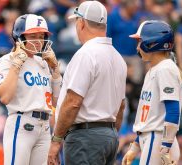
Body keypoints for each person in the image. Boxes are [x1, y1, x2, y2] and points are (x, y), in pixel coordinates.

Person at [48, 1, 127, 165]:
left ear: (81, 23)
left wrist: (56, 140)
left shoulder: (86, 53)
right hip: (109, 135)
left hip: (85, 137)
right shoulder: (118, 58)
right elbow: (121, 107)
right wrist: (108, 134)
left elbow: (73, 102)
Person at [0, 14, 62, 165]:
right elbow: (5, 97)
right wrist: (16, 65)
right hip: (21, 123)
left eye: (41, 36)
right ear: (20, 37)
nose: (39, 41)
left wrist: (55, 70)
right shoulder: (6, 60)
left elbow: (57, 101)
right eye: (33, 36)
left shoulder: (43, 63)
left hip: (44, 127)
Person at [122, 20, 182, 165]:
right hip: (151, 137)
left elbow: (173, 110)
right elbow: (148, 117)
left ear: (152, 43)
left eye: (140, 42)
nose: (138, 47)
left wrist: (165, 147)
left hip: (158, 139)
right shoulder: (154, 69)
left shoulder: (165, 69)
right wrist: (136, 146)